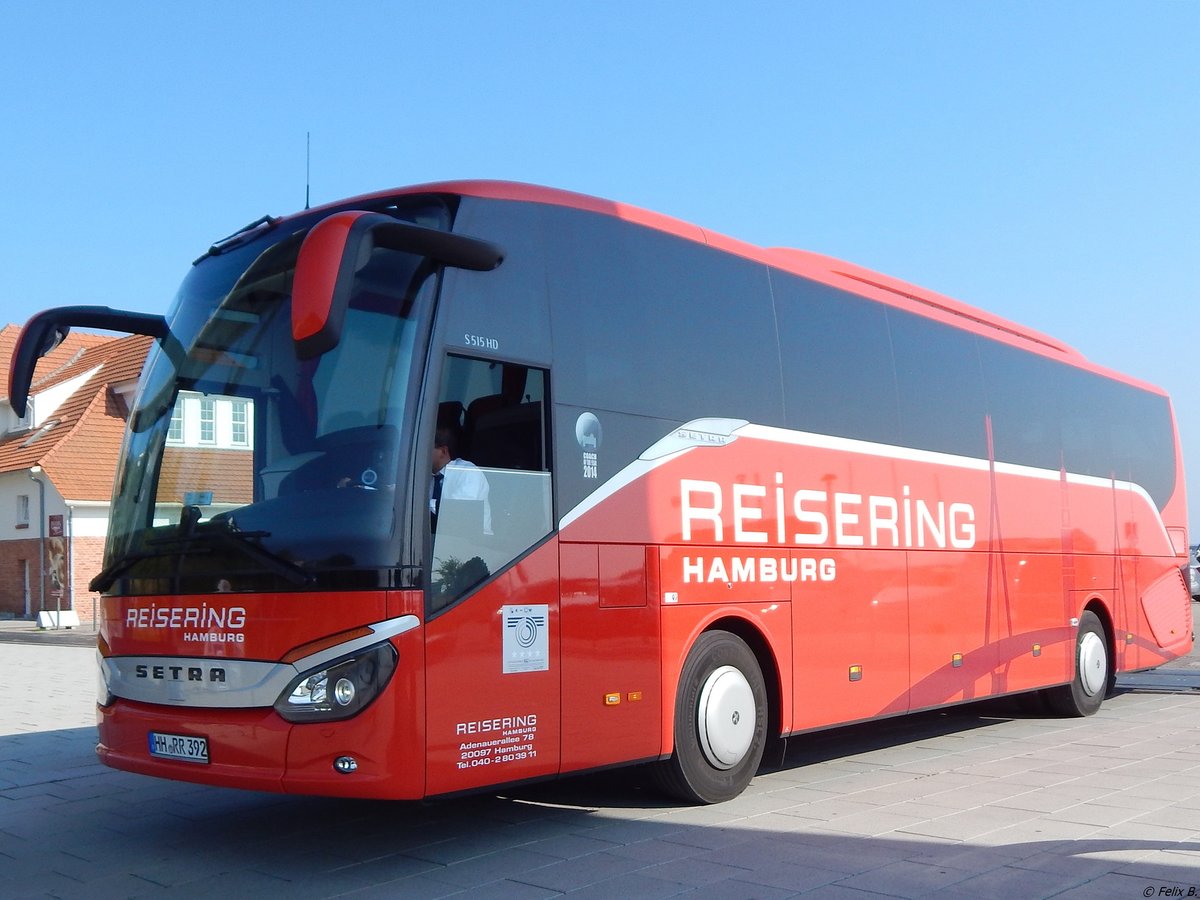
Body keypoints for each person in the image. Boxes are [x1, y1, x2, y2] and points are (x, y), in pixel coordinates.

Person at [431, 427, 492, 533]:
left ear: (443, 451)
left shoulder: (468, 472)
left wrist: (420, 504)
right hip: (438, 537)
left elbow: (458, 511)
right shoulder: (425, 476)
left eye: (426, 449)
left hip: (470, 539)